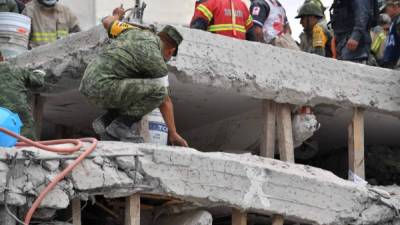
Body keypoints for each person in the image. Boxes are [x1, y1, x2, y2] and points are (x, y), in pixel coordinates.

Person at [79, 7, 188, 147]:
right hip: (104, 88)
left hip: (88, 84)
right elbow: (164, 100)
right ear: (170, 51)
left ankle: (107, 121)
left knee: (136, 80)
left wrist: (117, 14)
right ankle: (119, 127)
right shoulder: (156, 60)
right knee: (158, 90)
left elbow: (107, 22)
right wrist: (173, 133)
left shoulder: (131, 30)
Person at [0, 50, 45, 140]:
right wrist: (39, 73)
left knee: (5, 140)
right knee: (27, 140)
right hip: (19, 111)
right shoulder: (16, 69)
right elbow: (38, 82)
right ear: (2, 58)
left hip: (2, 114)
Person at [190, 0, 255, 41]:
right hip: (239, 53)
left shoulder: (209, 4)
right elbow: (251, 35)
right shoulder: (242, 6)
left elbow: (194, 34)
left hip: (215, 49)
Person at [381, 0, 400, 68]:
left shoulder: (398, 20)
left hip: (395, 62)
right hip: (389, 60)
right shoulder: (394, 20)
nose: (386, 11)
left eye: (387, 8)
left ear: (396, 7)